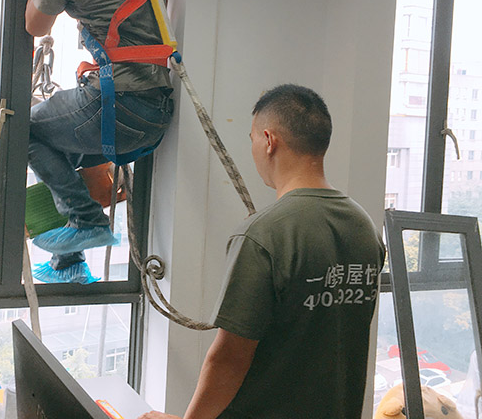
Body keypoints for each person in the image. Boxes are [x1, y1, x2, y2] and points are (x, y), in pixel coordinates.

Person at [139, 84, 386, 419]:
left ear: (269, 141)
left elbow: (229, 358)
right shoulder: (364, 227)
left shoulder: (262, 235)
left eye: (252, 138)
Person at [0, 0, 174, 284]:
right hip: (155, 109)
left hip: (117, 107)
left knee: (23, 132)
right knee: (56, 158)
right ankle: (69, 261)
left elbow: (35, 25)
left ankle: (87, 220)